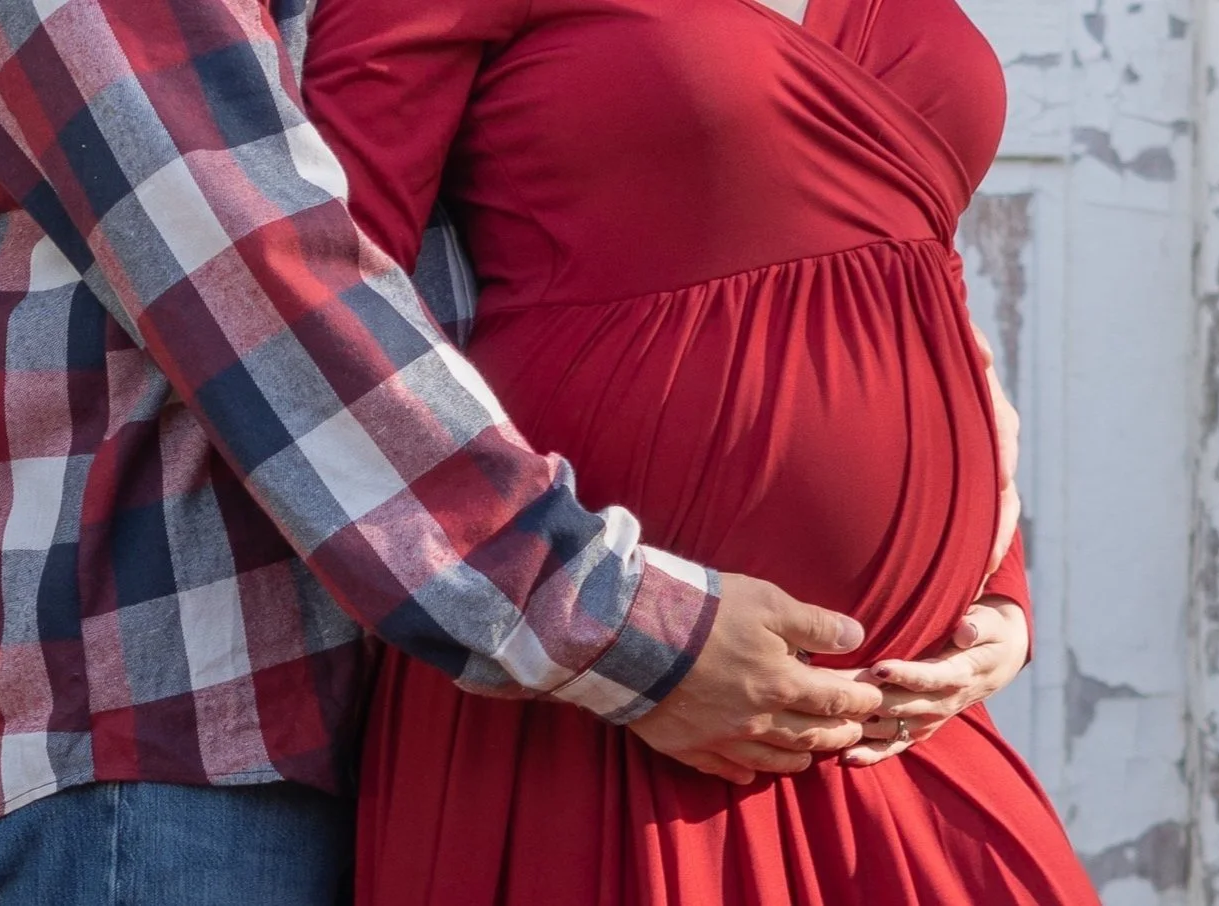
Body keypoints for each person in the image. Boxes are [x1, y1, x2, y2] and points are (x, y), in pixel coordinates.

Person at [0, 0, 1026, 902]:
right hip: (173, 712)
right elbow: (254, 279)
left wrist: (982, 557)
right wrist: (622, 628)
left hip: (472, 661)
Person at [300, 0, 1100, 902]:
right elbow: (323, 309)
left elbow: (916, 284)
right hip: (606, 703)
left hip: (897, 709)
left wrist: (999, 591)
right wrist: (607, 639)